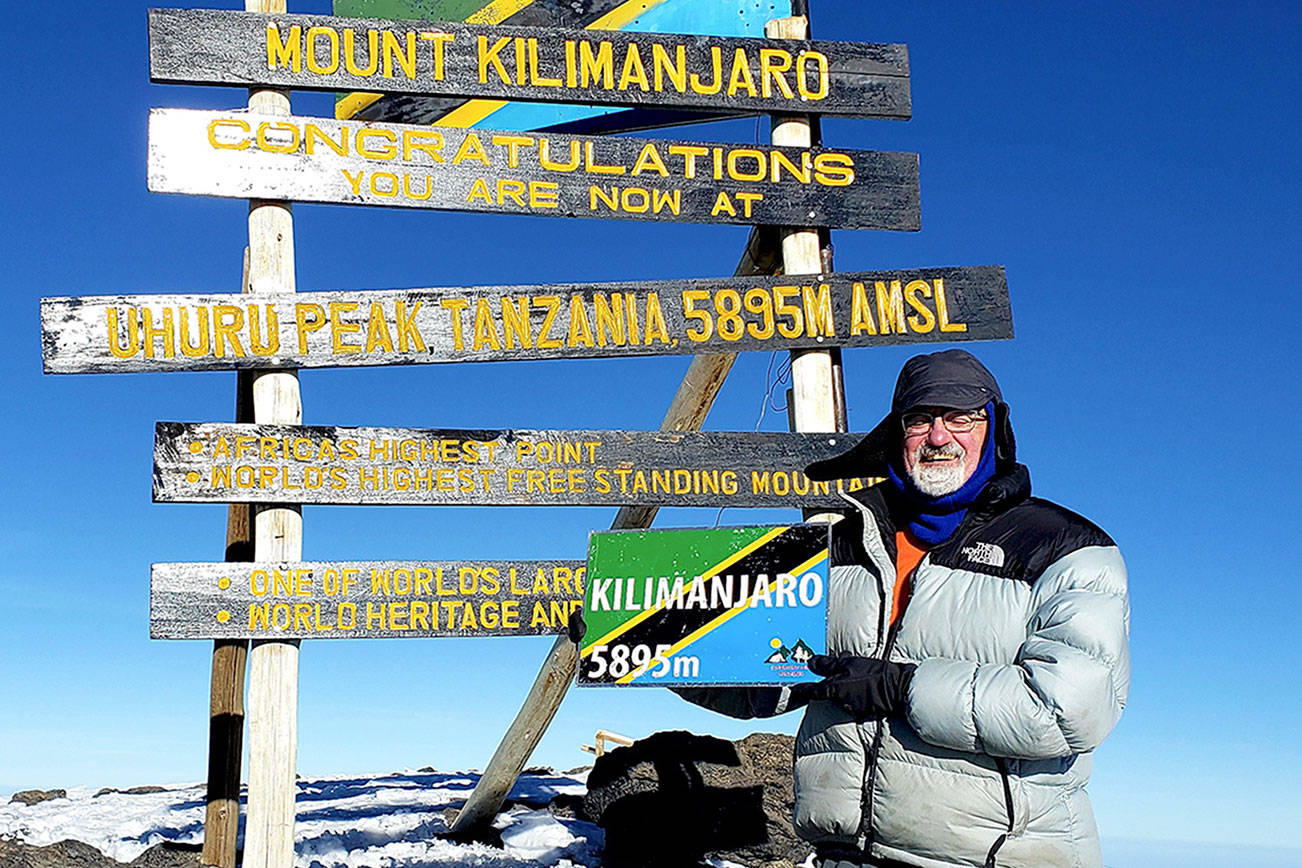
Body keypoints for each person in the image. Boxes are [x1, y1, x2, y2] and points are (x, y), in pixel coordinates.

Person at [675, 349, 1130, 868]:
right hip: (843, 853)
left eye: (960, 417)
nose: (938, 437)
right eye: (920, 419)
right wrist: (642, 647)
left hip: (995, 859)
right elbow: (766, 677)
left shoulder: (1067, 549)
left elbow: (1064, 711)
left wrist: (902, 687)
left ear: (994, 430)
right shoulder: (831, 544)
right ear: (898, 433)